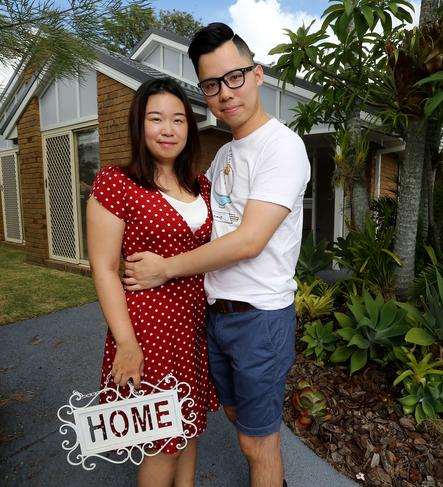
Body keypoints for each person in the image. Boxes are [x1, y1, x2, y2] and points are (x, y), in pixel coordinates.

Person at [123, 23, 311, 487]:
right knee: (232, 412)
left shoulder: (283, 147)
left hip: (259, 319)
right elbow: (196, 225)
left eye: (235, 77)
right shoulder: (225, 155)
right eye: (211, 85)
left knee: (257, 441)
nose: (225, 93)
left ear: (258, 75)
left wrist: (164, 269)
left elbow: (248, 240)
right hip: (215, 317)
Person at [87, 77, 219, 487]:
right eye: (156, 118)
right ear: (139, 125)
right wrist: (126, 343)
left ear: (189, 128)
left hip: (194, 327)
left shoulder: (203, 186)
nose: (168, 129)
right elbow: (105, 268)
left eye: (178, 119)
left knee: (190, 426)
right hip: (150, 330)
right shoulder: (116, 183)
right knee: (164, 441)